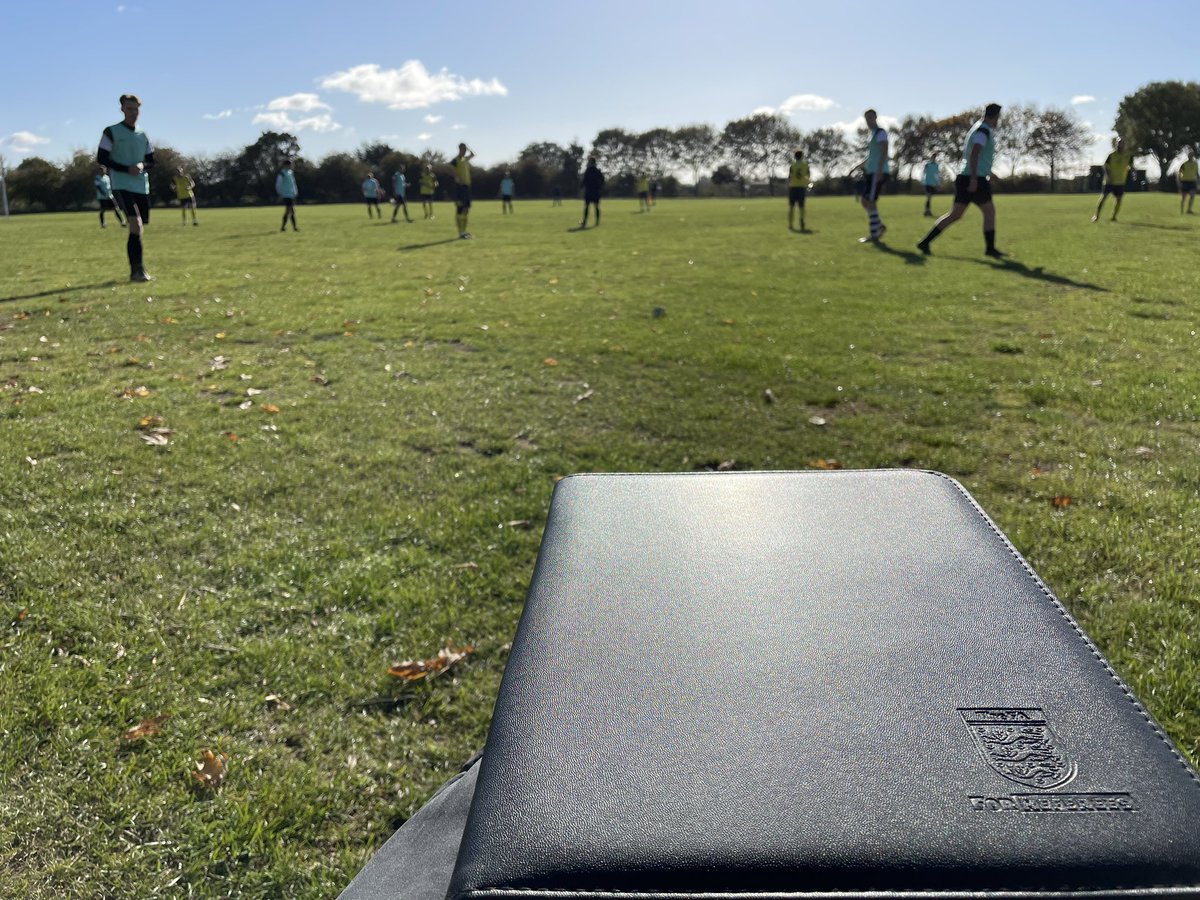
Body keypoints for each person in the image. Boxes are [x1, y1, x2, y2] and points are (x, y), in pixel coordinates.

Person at [917, 103, 1004, 259]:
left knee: (955, 214)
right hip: (974, 178)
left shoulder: (978, 128)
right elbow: (975, 153)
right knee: (989, 212)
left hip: (968, 176)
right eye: (999, 117)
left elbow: (977, 155)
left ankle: (925, 242)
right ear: (996, 116)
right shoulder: (983, 130)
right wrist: (974, 179)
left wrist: (989, 172)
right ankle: (990, 249)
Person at [97, 93, 155, 282]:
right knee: (135, 225)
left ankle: (138, 269)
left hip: (141, 186)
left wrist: (141, 166)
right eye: (129, 109)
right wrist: (124, 168)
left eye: (136, 109)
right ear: (122, 109)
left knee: (138, 228)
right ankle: (137, 271)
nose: (133, 112)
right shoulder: (111, 131)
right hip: (121, 185)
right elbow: (102, 158)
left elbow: (151, 162)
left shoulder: (143, 134)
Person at [857, 108, 889, 243]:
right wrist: (857, 167)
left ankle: (874, 234)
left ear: (875, 117)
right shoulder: (872, 135)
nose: (868, 120)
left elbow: (884, 149)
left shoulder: (880, 133)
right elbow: (872, 155)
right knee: (866, 201)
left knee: (869, 201)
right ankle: (879, 226)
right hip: (871, 172)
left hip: (877, 172)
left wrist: (880, 170)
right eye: (866, 118)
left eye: (870, 117)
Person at [1093, 138, 1134, 223]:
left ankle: (1114, 217)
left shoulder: (1128, 156)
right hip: (1109, 182)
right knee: (1103, 198)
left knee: (1119, 199)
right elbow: (1105, 166)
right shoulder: (1111, 155)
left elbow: (1131, 167)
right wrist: (1109, 176)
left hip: (1120, 182)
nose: (1120, 145)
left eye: (1122, 143)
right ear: (1116, 144)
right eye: (1118, 143)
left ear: (1124, 145)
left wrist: (1129, 174)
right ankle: (1096, 216)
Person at [452, 144, 475, 238]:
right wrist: (458, 179)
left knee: (467, 209)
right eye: (463, 149)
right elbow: (452, 171)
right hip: (460, 187)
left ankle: (464, 231)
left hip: (467, 187)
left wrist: (469, 148)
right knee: (460, 209)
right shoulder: (455, 160)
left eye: (465, 149)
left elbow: (473, 154)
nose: (465, 151)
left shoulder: (464, 159)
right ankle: (460, 232)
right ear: (459, 149)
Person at [94, 165, 125, 229]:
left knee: (116, 208)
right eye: (101, 170)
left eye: (104, 170)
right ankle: (103, 224)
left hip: (110, 196)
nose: (103, 171)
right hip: (102, 197)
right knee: (103, 210)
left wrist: (110, 194)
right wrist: (104, 194)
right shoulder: (97, 178)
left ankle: (122, 222)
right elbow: (98, 187)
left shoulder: (107, 177)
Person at [788, 149, 810, 232]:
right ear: (802, 156)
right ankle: (801, 220)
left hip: (793, 187)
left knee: (791, 206)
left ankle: (790, 224)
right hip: (801, 187)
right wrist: (807, 184)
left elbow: (790, 177)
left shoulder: (792, 165)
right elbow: (808, 176)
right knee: (801, 206)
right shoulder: (805, 165)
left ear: (795, 156)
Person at [276, 158, 299, 231]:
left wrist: (295, 191)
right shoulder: (282, 173)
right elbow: (278, 184)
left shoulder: (291, 172)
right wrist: (280, 193)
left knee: (290, 211)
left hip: (291, 194)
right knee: (290, 210)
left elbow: (293, 183)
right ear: (285, 165)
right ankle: (292, 227)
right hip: (286, 194)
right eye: (289, 164)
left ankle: (285, 227)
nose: (290, 166)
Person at [580, 156, 604, 228]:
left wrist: (581, 187)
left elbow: (584, 180)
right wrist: (599, 187)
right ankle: (597, 222)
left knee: (587, 207)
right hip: (596, 191)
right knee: (596, 206)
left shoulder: (588, 170)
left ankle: (584, 222)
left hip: (589, 191)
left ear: (591, 162)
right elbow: (602, 180)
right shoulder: (598, 171)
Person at [1178, 148, 1197, 215]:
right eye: (1190, 155)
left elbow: (1197, 173)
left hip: (1192, 182)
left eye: (1192, 155)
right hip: (1185, 182)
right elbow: (1180, 173)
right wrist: (1180, 181)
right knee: (1184, 197)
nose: (1191, 156)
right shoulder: (1184, 164)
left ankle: (1189, 210)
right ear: (1188, 156)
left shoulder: (1195, 164)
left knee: (1192, 196)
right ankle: (1182, 210)